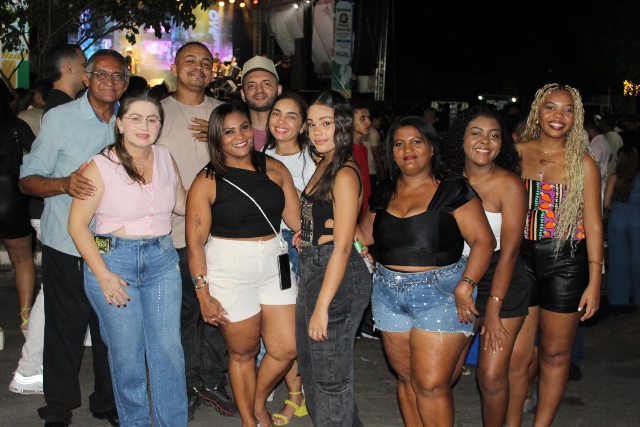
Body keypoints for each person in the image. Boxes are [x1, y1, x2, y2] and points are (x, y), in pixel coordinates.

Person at [357, 115, 495, 426]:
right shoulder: (385, 191)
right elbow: (363, 235)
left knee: (431, 384)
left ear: (431, 148)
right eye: (399, 144)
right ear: (392, 153)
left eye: (416, 142)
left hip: (441, 294)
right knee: (407, 377)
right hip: (387, 295)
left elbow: (484, 241)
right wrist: (328, 226)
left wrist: (467, 285)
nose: (408, 149)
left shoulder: (453, 190)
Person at [19, 49, 128, 427]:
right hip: (67, 246)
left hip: (114, 246)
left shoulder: (130, 121)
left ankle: (107, 402)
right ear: (86, 78)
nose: (109, 82)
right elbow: (27, 179)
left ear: (126, 82)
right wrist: (64, 184)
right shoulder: (60, 119)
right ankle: (59, 409)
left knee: (112, 331)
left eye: (117, 76)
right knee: (65, 330)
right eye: (101, 74)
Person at [68, 92, 188, 426]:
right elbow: (76, 225)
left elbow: (183, 204)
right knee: (127, 355)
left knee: (168, 350)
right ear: (120, 124)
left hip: (162, 261)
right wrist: (103, 275)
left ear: (160, 126)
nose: (144, 125)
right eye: (135, 118)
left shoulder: (165, 157)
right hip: (114, 264)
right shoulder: (100, 166)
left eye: (152, 119)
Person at [186, 103, 301, 427]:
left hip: (275, 263)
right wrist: (203, 294)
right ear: (216, 138)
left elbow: (297, 222)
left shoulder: (275, 168)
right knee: (243, 352)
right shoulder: (206, 181)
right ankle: (251, 420)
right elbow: (195, 243)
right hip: (229, 268)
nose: (239, 136)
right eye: (229, 131)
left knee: (286, 347)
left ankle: (256, 403)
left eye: (244, 127)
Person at [514, 83, 602, 427]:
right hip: (518, 258)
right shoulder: (513, 153)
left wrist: (595, 281)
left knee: (554, 353)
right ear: (538, 111)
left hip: (566, 260)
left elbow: (593, 224)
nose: (558, 116)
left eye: (568, 110)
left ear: (576, 118)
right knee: (518, 354)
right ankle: (514, 414)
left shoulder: (584, 164)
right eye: (551, 107)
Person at [156, 41, 236, 421]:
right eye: (190, 60)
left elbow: (248, 158)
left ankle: (214, 382)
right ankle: (186, 385)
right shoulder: (157, 112)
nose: (198, 67)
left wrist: (219, 136)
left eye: (206, 62)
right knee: (183, 317)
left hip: (221, 235)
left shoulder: (223, 113)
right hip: (171, 235)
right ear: (175, 67)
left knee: (219, 312)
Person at [9, 44, 89, 397]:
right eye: (85, 65)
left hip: (55, 213)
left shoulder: (61, 105)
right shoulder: (61, 110)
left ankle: (31, 367)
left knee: (56, 293)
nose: (88, 72)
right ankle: (28, 368)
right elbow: (36, 171)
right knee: (54, 295)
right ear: (69, 68)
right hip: (55, 213)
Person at [444, 106, 529, 427]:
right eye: (476, 133)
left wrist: (493, 309)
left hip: (501, 280)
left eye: (494, 135)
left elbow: (510, 252)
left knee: (491, 376)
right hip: (456, 277)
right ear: (461, 139)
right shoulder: (445, 181)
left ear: (502, 143)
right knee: (446, 372)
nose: (485, 141)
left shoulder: (509, 185)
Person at [294, 90, 372, 426]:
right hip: (317, 266)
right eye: (312, 124)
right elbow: (332, 220)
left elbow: (342, 246)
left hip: (335, 275)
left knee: (330, 377)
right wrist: (308, 232)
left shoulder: (343, 172)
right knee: (313, 369)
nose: (317, 131)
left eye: (326, 123)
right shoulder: (326, 162)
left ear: (342, 124)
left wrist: (322, 307)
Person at [262, 92, 315, 425]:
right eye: (276, 114)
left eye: (291, 115)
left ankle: (296, 397)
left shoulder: (312, 161)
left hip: (296, 248)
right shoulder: (259, 155)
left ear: (303, 124)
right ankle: (296, 395)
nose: (281, 122)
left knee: (292, 330)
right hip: (266, 247)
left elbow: (318, 211)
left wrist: (284, 183)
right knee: (277, 330)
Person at [0, 80, 37, 337]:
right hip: (11, 199)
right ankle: (25, 320)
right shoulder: (16, 126)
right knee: (23, 260)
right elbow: (39, 154)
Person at [604, 145, 640, 309]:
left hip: (618, 219)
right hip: (638, 219)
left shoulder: (614, 177)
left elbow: (606, 203)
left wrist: (617, 208)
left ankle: (619, 298)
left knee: (618, 258)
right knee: (637, 259)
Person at [240, 56, 282, 151]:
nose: (259, 90)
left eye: (266, 84)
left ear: (279, 90)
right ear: (243, 94)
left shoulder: (292, 131)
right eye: (251, 85)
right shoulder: (234, 137)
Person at [351, 102, 372, 219]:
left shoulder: (363, 148)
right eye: (362, 118)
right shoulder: (348, 152)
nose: (368, 122)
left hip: (366, 209)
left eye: (368, 118)